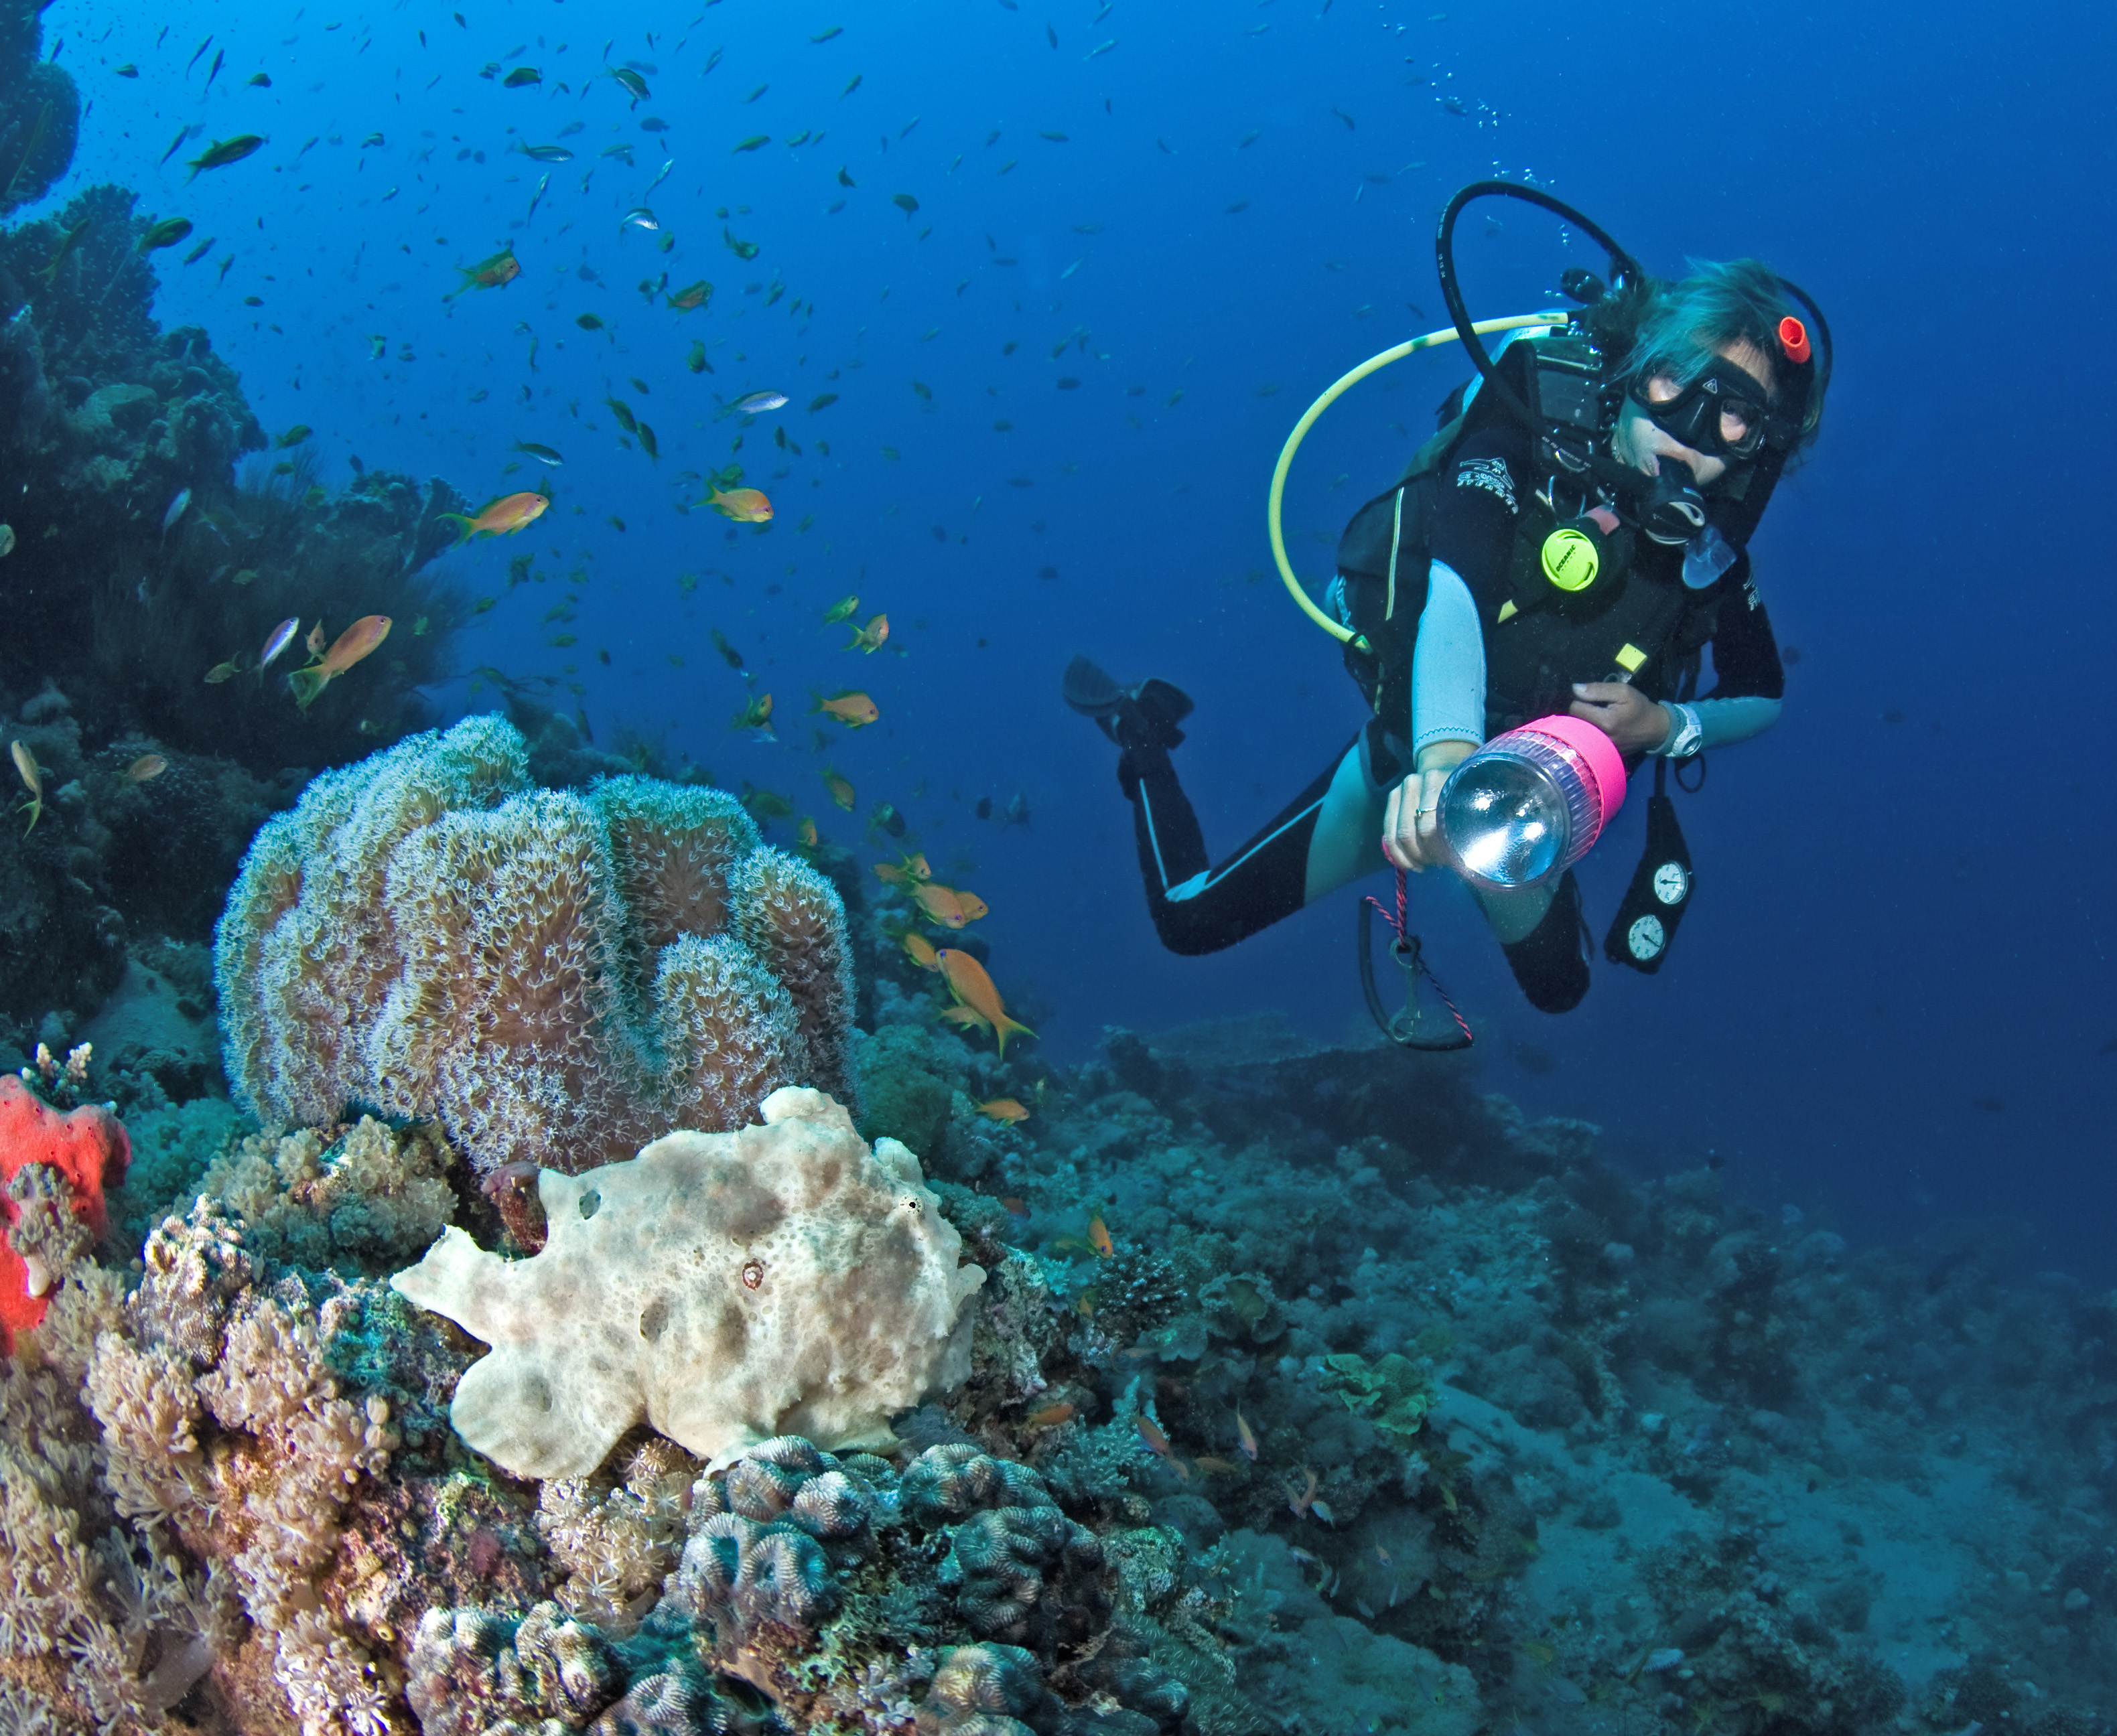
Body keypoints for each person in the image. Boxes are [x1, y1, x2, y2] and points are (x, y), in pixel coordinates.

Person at [1067, 257, 1826, 1014]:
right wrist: (1443, 761)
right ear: (1632, 367)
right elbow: (1456, 588)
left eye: (1735, 414)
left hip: (1530, 809)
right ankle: (1141, 734)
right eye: (1673, 380)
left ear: (1758, 445)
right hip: (1408, 766)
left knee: (1561, 991)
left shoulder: (1710, 559)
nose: (1691, 426)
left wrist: (1668, 726)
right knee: (1190, 922)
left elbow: (1762, 694)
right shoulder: (1524, 425)